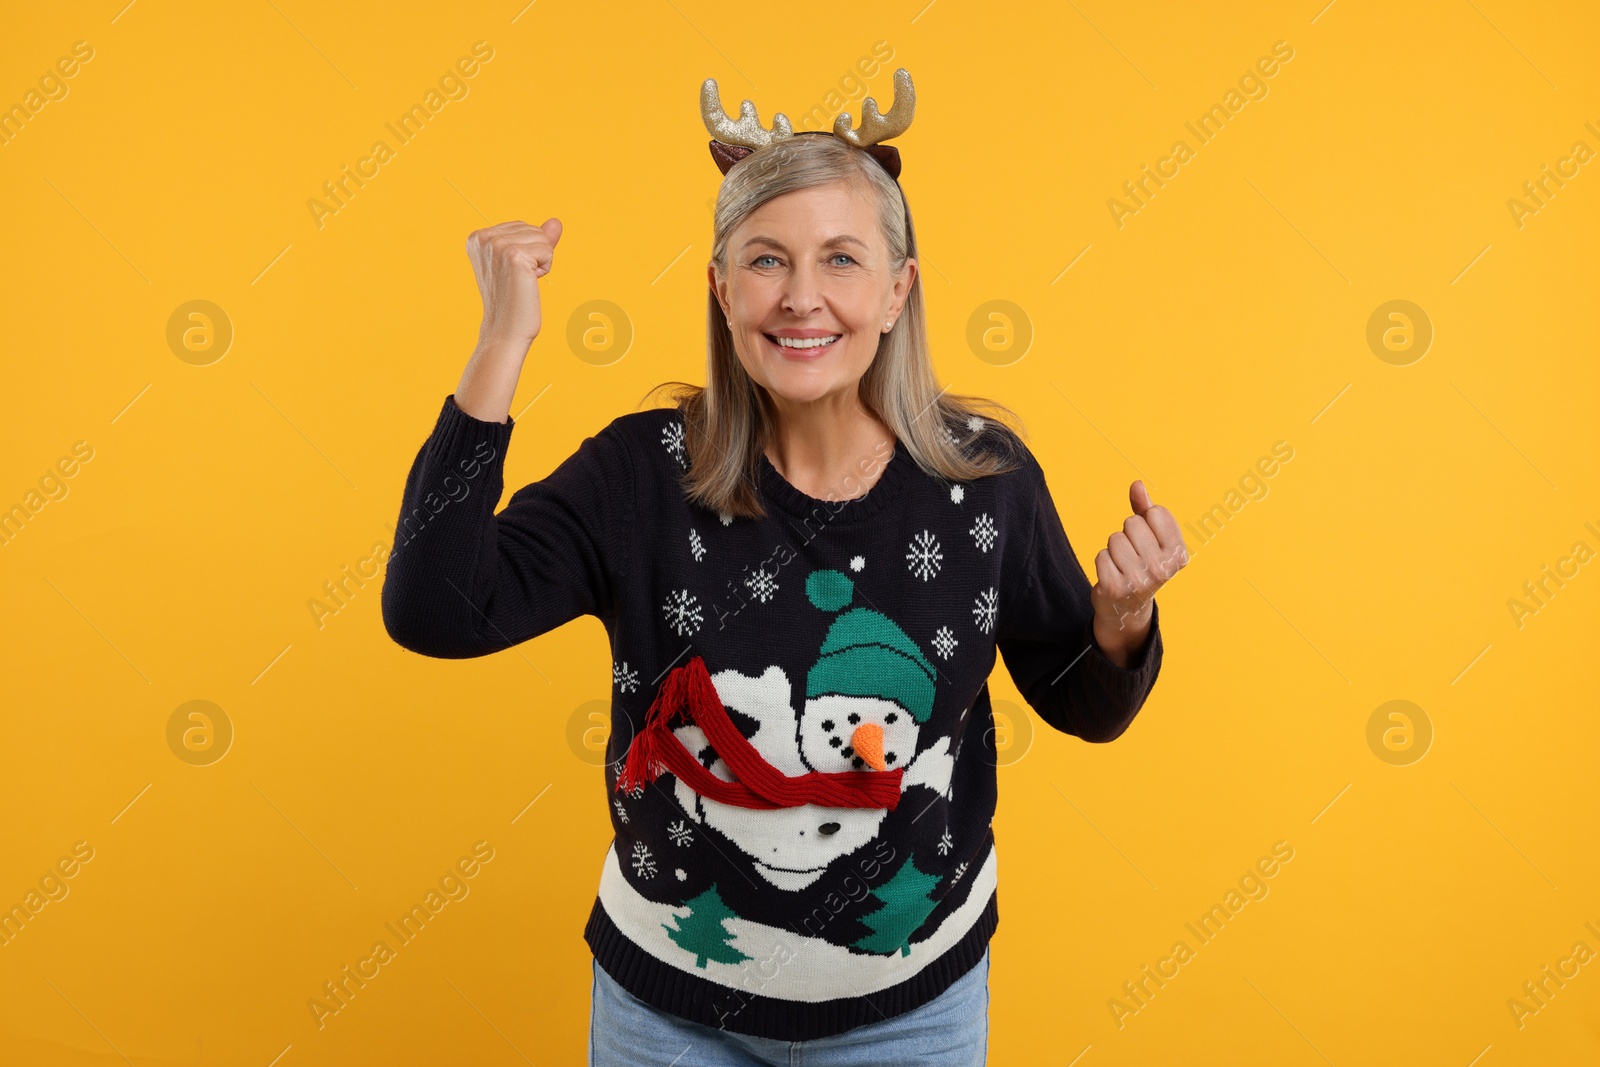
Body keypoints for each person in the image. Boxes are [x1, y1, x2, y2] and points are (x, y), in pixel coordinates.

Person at [381, 68, 1187, 1067]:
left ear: (899, 290)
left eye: (841, 259)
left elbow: (1088, 707)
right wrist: (503, 339)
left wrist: (1119, 622)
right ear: (721, 290)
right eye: (765, 260)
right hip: (667, 1016)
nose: (801, 296)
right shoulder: (639, 475)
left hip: (912, 1014)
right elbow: (435, 609)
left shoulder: (984, 481)